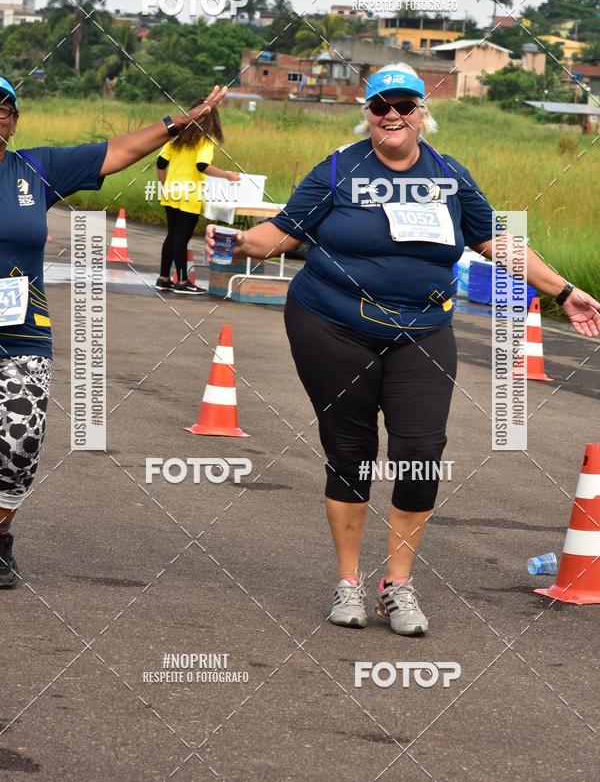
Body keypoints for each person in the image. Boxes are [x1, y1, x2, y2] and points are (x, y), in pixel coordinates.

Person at [206, 63, 600, 636]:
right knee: (351, 450)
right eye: (380, 106)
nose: (393, 115)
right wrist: (240, 241)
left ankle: (398, 584)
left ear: (422, 113)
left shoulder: (449, 175)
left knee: (421, 450)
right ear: (366, 113)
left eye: (405, 105)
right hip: (332, 325)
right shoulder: (338, 169)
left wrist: (563, 291)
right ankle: (348, 582)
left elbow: (496, 241)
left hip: (423, 330)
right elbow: (286, 231)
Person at [0, 76, 228, 587]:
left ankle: (0, 534)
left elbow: (118, 150)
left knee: (20, 442)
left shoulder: (35, 169)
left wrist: (178, 123)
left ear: (14, 122)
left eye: (3, 109)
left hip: (20, 331)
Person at [155, 96, 240, 295]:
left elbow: (160, 163)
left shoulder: (176, 136)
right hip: (190, 194)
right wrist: (227, 175)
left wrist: (164, 186)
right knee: (181, 238)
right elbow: (202, 165)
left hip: (171, 191)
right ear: (212, 120)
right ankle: (183, 281)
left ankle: (164, 278)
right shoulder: (205, 139)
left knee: (172, 235)